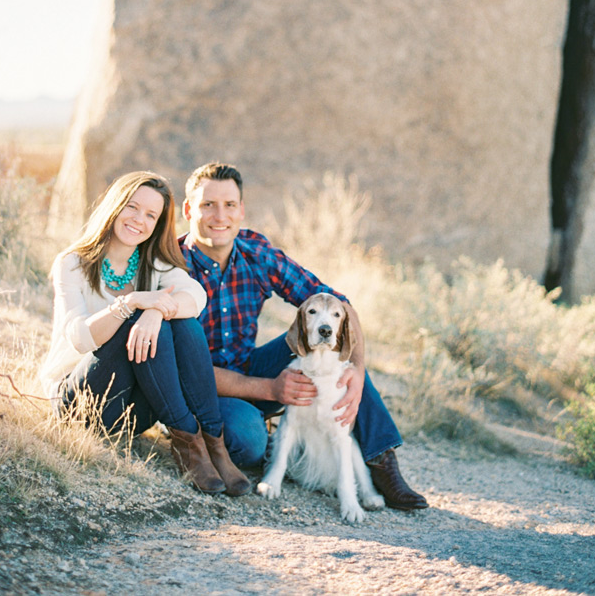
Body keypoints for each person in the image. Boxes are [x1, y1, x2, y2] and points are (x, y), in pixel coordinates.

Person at [178, 162, 428, 511]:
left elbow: (341, 305)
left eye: (229, 205)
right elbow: (182, 369)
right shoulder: (173, 265)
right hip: (203, 389)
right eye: (208, 205)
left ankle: (380, 463)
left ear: (241, 210)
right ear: (189, 209)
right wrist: (269, 390)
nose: (220, 215)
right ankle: (224, 438)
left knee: (332, 350)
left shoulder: (256, 253)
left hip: (250, 366)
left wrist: (355, 371)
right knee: (249, 442)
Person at [40, 170, 251, 496]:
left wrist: (154, 310)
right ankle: (188, 442)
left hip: (134, 414)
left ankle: (210, 441)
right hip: (81, 401)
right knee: (130, 323)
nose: (139, 219)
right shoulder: (73, 263)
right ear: (115, 205)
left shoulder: (153, 264)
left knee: (180, 322)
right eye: (132, 207)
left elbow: (196, 297)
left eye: (151, 214)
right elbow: (80, 337)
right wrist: (132, 303)